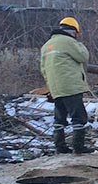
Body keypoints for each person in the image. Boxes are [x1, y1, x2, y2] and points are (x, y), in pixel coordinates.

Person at [40, 16, 93, 155]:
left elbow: (43, 69)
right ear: (74, 31)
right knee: (79, 117)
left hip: (56, 88)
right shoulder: (68, 42)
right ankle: (78, 147)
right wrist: (79, 44)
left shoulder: (46, 46)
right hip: (71, 87)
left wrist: (50, 87)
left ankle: (60, 146)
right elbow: (83, 57)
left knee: (59, 117)